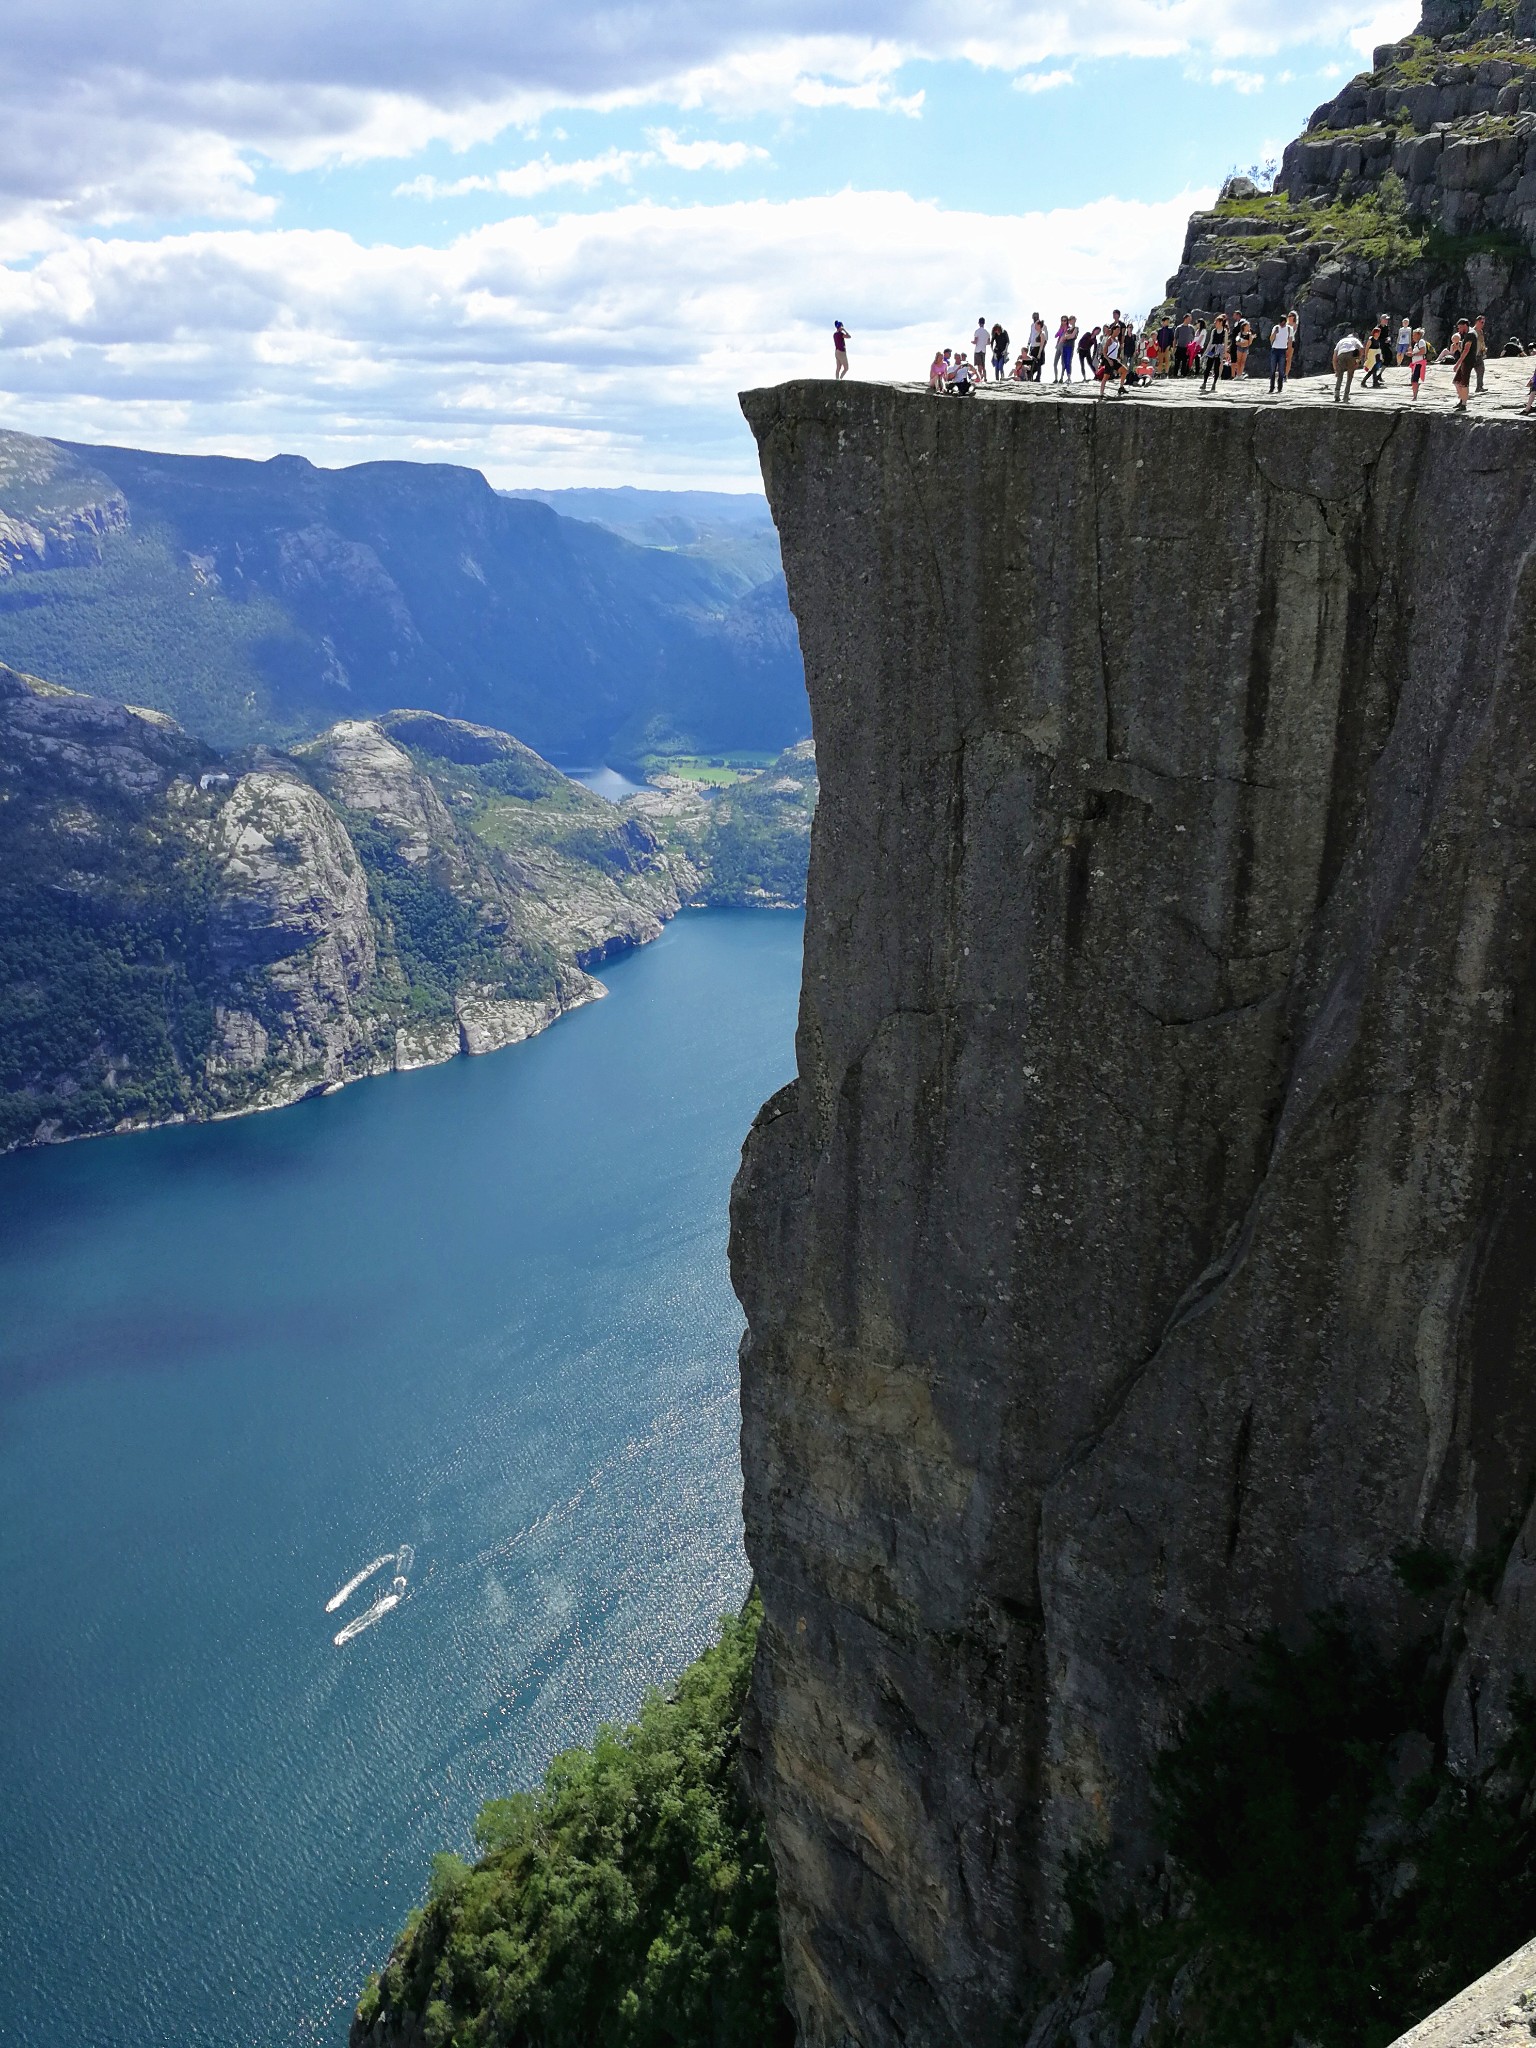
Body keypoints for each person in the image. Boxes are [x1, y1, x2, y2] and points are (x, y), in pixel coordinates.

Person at [1450, 317, 1477, 408]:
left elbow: (1466, 350)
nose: (1459, 330)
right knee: (1456, 381)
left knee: (1464, 382)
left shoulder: (1470, 334)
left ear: (1465, 325)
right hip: (1465, 360)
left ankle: (1464, 403)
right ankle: (1462, 399)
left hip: (1468, 361)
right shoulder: (1467, 334)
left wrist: (1458, 363)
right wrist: (1457, 348)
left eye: (1460, 327)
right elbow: (1464, 350)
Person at [1333, 329, 1364, 402]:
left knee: (1340, 376)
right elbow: (1362, 349)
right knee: (1350, 376)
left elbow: (1334, 357)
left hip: (1341, 354)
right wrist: (1358, 360)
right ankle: (1346, 396)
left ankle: (1337, 394)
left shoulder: (1341, 341)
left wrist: (1336, 370)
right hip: (1351, 354)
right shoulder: (1355, 340)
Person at [1201, 313, 1229, 393]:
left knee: (1216, 367)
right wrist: (1205, 353)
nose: (1215, 323)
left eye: (1216, 322)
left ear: (1220, 322)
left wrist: (1225, 353)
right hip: (1212, 349)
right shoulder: (1214, 331)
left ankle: (1214, 383)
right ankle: (1204, 382)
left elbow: (1226, 343)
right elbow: (1210, 342)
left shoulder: (1225, 331)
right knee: (1208, 367)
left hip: (1219, 350)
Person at [1268, 314, 1290, 393]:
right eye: (1280, 322)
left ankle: (1280, 387)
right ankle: (1271, 387)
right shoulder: (1276, 327)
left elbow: (1290, 340)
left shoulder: (1288, 329)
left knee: (1281, 370)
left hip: (1283, 350)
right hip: (1275, 349)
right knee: (1273, 369)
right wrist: (1275, 333)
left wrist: (1289, 351)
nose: (1281, 324)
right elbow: (1271, 338)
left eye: (1283, 322)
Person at [1173, 312, 1196, 377]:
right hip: (1179, 347)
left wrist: (1192, 347)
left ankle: (1183, 374)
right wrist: (1174, 348)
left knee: (1185, 362)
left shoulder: (1191, 328)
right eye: (1189, 319)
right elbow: (1175, 338)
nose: (1190, 320)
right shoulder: (1179, 328)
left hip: (1187, 348)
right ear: (1185, 319)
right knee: (1177, 362)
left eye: (1190, 319)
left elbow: (1194, 338)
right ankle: (1175, 374)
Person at [1409, 326, 1429, 399]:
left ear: (1418, 335)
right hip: (1416, 363)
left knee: (1414, 379)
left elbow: (1423, 351)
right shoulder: (1417, 343)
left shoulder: (1421, 342)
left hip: (1419, 363)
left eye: (1414, 335)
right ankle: (1414, 395)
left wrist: (1413, 354)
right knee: (1413, 379)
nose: (1412, 337)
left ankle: (1415, 396)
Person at [1474, 314, 1488, 392]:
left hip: (1479, 355)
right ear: (1477, 322)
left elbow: (1482, 342)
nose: (1483, 324)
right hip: (1472, 355)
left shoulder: (1481, 332)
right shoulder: (1472, 331)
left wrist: (1484, 350)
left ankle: (1479, 387)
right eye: (1481, 322)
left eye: (1484, 323)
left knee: (1481, 370)